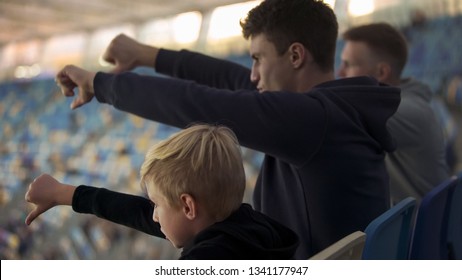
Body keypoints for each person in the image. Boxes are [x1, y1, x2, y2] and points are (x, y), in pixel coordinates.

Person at [55, 0, 400, 259]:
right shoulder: (332, 113)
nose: (251, 75)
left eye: (257, 59)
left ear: (295, 56)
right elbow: (229, 80)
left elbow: (204, 104)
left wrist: (99, 84)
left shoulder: (314, 121)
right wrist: (147, 55)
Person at [25, 124, 299, 259]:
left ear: (188, 206)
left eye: (156, 204)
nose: (153, 216)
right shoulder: (246, 228)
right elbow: (140, 214)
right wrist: (65, 194)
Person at [337, 22, 450, 205]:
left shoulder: (405, 111)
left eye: (348, 64)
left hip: (418, 231)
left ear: (381, 72)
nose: (340, 72)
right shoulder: (410, 104)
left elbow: (333, 121)